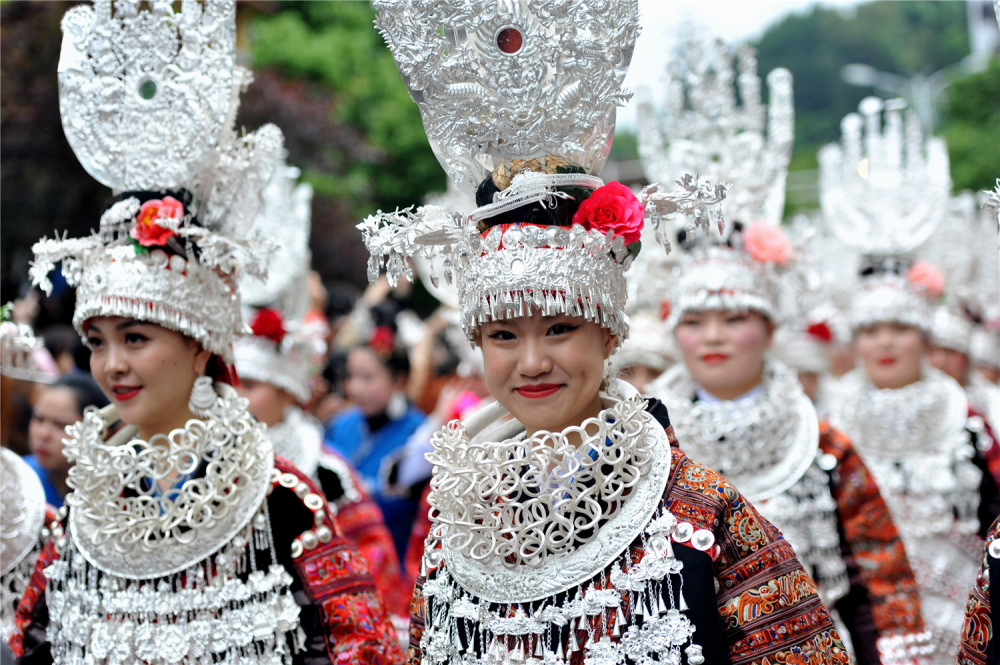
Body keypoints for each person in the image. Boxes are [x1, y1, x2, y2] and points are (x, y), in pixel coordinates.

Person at [363, 2, 849, 661]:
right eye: (503, 335)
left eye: (559, 327)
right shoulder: (458, 520)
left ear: (610, 335)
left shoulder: (701, 512)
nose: (531, 361)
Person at [10, 3, 400, 662]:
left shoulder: (281, 504)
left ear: (198, 344)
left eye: (136, 338)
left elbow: (359, 646)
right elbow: (34, 644)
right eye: (98, 340)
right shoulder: (86, 515)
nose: (111, 367)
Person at [645, 220, 925, 663]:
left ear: (771, 329)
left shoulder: (822, 444)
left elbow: (880, 576)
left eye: (734, 318)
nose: (713, 337)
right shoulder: (643, 444)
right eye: (694, 321)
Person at [821, 98, 1000, 662]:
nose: (886, 344)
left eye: (901, 328)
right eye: (872, 331)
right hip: (871, 624)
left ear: (927, 338)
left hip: (966, 618)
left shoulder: (970, 419)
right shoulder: (826, 426)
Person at [324, 324, 426, 561]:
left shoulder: (420, 434)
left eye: (367, 377)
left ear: (399, 380)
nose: (355, 387)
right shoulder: (340, 424)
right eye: (351, 377)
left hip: (392, 558)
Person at [25, 374, 108, 507]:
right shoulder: (20, 478)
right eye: (39, 419)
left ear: (98, 432)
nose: (43, 434)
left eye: (60, 425)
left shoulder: (112, 493)